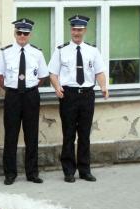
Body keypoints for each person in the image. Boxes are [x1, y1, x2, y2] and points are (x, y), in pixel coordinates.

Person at [47, 15, 109, 183]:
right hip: (69, 95)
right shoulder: (61, 50)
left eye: (80, 30)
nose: (77, 32)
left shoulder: (93, 51)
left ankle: (85, 170)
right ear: (71, 30)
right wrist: (57, 86)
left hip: (87, 95)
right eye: (74, 29)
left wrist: (103, 87)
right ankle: (68, 171)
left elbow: (99, 72)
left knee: (84, 134)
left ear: (84, 31)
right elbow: (52, 72)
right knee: (68, 134)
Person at [0, 18, 48, 185]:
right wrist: (12, 90)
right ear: (15, 33)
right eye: (19, 32)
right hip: (12, 96)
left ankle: (32, 173)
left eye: (25, 33)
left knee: (31, 135)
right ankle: (10, 174)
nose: (22, 36)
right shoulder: (5, 52)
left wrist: (28, 88)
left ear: (30, 34)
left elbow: (42, 77)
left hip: (31, 96)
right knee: (11, 135)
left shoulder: (37, 53)